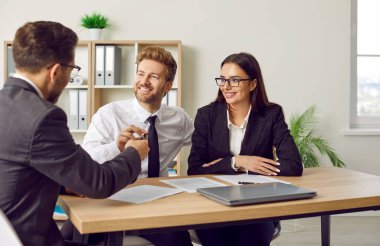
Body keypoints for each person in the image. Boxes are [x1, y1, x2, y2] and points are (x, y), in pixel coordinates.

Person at [0, 21, 148, 246]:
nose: (70, 78)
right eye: (72, 70)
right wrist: (134, 154)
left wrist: (64, 184)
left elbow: (14, 172)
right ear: (56, 71)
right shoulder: (44, 117)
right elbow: (99, 183)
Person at [61, 46, 194, 246]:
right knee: (69, 237)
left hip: (157, 204)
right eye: (141, 74)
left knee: (179, 241)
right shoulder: (109, 114)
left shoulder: (179, 118)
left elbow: (205, 145)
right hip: (110, 198)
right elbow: (85, 162)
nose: (144, 81)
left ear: (168, 86)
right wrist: (117, 147)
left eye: (154, 76)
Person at [188, 52, 303, 246]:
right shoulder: (206, 115)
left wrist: (238, 166)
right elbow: (195, 169)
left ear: (252, 84)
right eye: (222, 79)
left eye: (234, 80)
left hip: (256, 204)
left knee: (251, 234)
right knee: (219, 236)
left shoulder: (271, 114)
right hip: (213, 204)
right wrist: (237, 162)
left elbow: (292, 166)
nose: (225, 86)